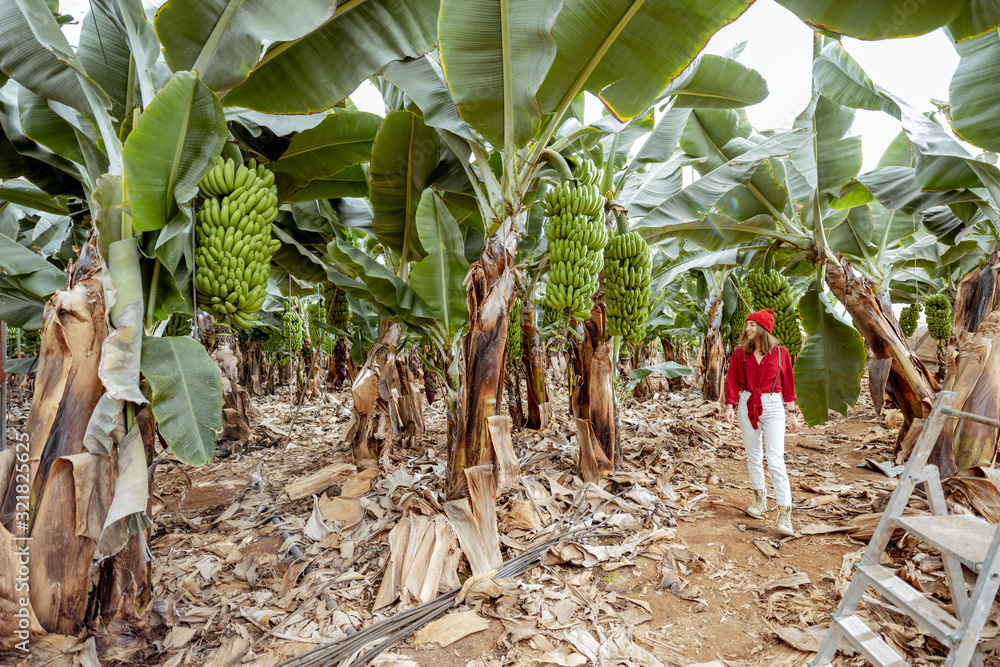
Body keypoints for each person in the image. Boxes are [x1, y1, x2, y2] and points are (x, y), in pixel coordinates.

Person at [723, 308, 799, 536]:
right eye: (747, 325)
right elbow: (732, 381)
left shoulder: (781, 353)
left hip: (773, 404)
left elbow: (789, 385)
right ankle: (759, 499)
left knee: (775, 459)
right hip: (747, 404)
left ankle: (784, 512)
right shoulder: (740, 353)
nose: (747, 329)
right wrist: (730, 405)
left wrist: (792, 413)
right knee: (753, 456)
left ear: (763, 329)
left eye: (752, 325)